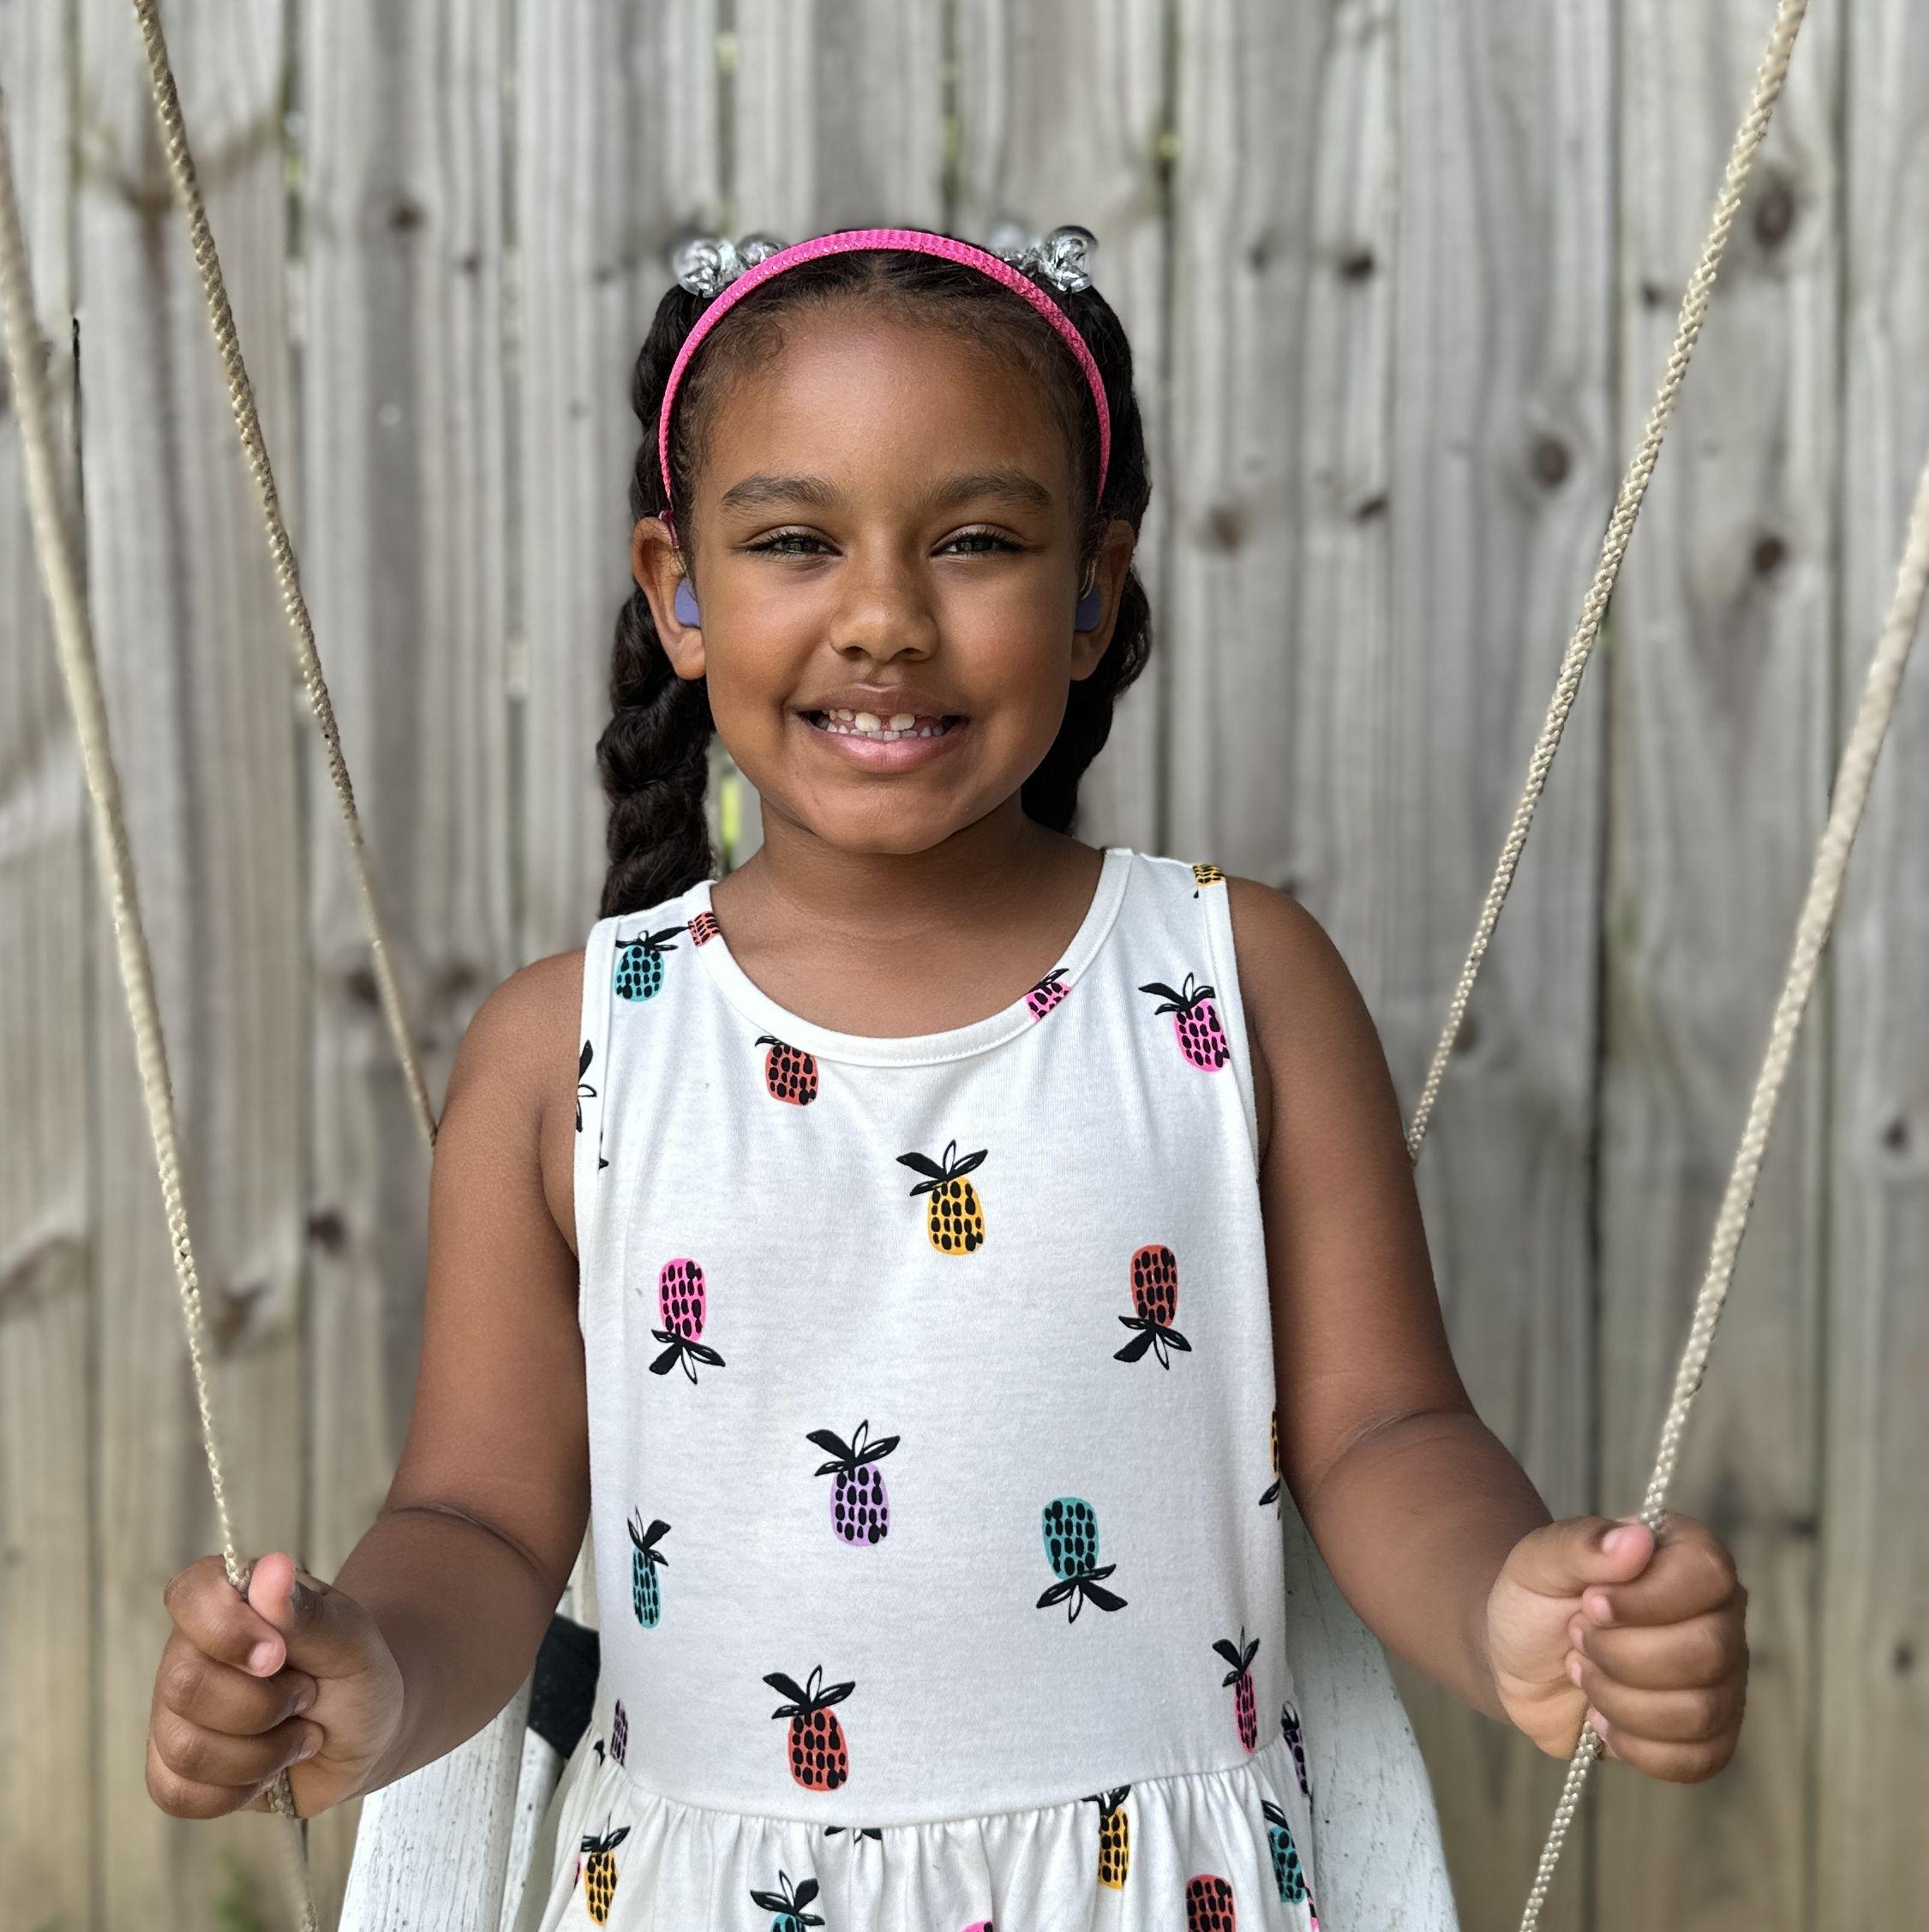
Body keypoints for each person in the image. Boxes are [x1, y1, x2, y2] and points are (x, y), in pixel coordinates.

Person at [145, 225, 1749, 1929]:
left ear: (1093, 591)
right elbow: (478, 1516)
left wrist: (1514, 1608)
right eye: (793, 540)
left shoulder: (1237, 983)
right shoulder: (570, 1049)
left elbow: (1380, 1428)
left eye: (976, 540)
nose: (886, 620)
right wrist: (372, 1671)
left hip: (1155, 1887)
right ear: (679, 589)